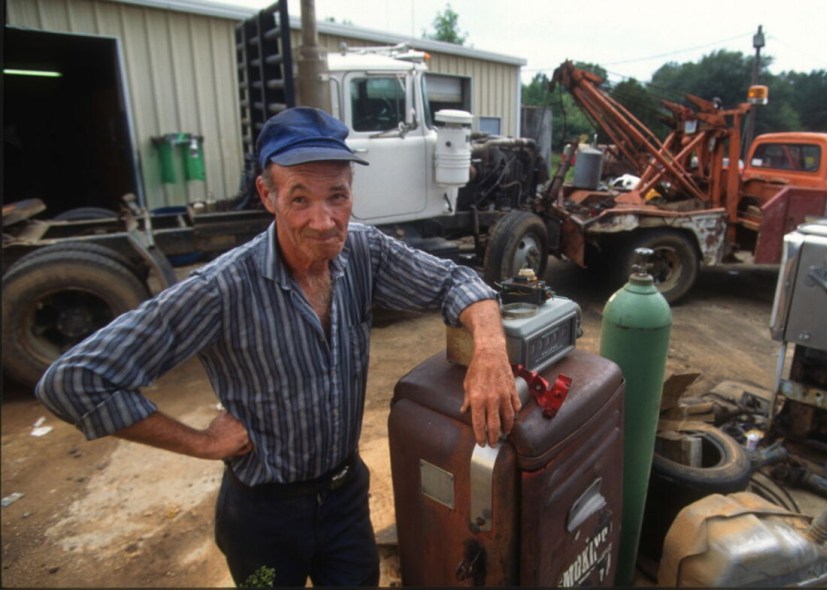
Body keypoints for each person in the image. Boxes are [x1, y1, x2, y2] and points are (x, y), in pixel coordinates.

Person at [35, 107, 521, 587]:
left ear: (352, 191)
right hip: (263, 515)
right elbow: (75, 381)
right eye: (300, 199)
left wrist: (490, 352)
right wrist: (201, 443)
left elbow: (456, 280)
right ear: (267, 195)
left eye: (337, 195)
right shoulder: (221, 289)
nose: (323, 220)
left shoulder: (363, 251)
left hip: (345, 495)